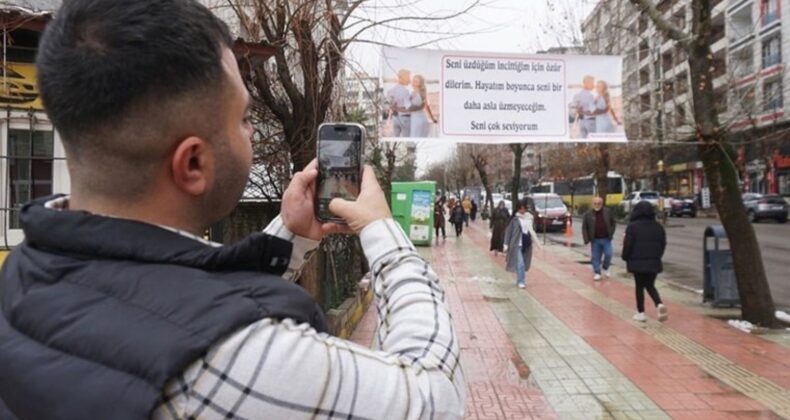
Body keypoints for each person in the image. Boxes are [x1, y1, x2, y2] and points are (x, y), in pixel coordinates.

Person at [0, 1, 465, 419]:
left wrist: (291, 234)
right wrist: (384, 234)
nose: (251, 133)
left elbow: (173, 296)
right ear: (194, 162)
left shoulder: (27, 268)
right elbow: (435, 395)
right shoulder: (236, 357)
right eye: (244, 118)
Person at [622, 201, 669, 322]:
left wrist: (625, 257)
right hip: (654, 261)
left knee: (639, 286)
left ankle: (641, 312)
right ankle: (659, 304)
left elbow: (628, 245)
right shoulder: (658, 227)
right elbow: (662, 244)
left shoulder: (632, 227)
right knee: (649, 284)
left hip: (637, 262)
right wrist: (657, 256)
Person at [503, 198, 543, 288]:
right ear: (517, 209)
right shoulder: (514, 220)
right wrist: (506, 244)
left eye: (523, 208)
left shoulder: (529, 218)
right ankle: (522, 282)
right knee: (520, 263)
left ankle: (519, 280)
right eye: (520, 208)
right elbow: (508, 232)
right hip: (516, 244)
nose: (522, 210)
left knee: (523, 264)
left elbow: (532, 231)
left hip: (526, 244)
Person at [582, 196, 617, 281]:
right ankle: (597, 272)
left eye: (599, 203)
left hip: (606, 239)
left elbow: (613, 222)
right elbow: (584, 227)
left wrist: (611, 234)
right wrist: (586, 239)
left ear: (602, 204)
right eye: (595, 203)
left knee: (609, 254)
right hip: (595, 240)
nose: (597, 205)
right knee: (595, 257)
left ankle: (605, 267)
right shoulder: (588, 214)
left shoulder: (607, 212)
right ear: (592, 204)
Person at [386, 69, 412, 137]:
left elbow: (390, 107)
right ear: (403, 78)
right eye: (408, 77)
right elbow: (408, 108)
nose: (409, 79)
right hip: (405, 119)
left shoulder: (390, 91)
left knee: (396, 140)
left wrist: (388, 120)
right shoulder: (405, 91)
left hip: (395, 119)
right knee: (406, 139)